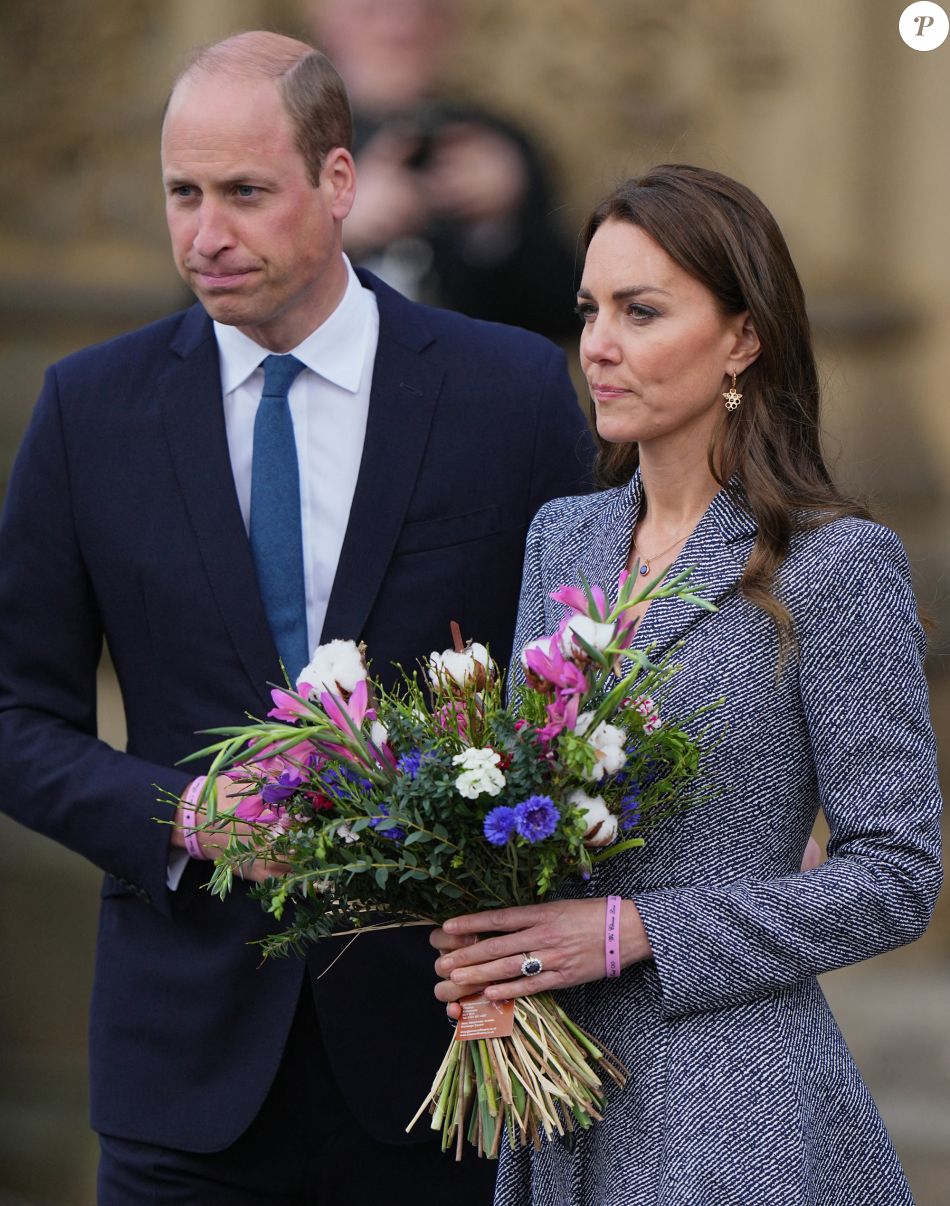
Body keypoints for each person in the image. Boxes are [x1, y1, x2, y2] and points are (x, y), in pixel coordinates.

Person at [0, 32, 593, 1206]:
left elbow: (586, 674)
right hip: (184, 1077)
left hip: (449, 1066)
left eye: (243, 193)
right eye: (182, 193)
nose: (204, 234)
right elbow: (16, 712)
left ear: (336, 183)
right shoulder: (88, 410)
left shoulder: (508, 391)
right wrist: (180, 814)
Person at [431, 164, 943, 1205]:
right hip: (556, 1105)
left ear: (742, 339)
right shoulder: (560, 537)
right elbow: (525, 816)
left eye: (640, 310)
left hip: (731, 1104)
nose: (598, 345)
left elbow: (896, 877)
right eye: (588, 310)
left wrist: (635, 932)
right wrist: (479, 928)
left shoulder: (834, 566)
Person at [307, 0, 579, 340]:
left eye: (428, 9)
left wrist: (498, 226)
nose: (403, 28)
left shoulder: (498, 147)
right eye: (373, 8)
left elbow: (570, 315)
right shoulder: (284, 140)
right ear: (325, 14)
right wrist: (336, 233)